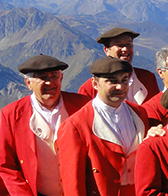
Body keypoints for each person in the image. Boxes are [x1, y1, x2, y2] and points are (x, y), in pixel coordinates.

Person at [57, 57, 149, 196]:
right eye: (112, 81)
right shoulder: (76, 125)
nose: (120, 87)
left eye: (124, 80)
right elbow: (72, 181)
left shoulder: (139, 113)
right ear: (95, 83)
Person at [0, 55, 88, 196]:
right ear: (28, 83)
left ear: (61, 78)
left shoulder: (82, 105)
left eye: (54, 76)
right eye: (43, 77)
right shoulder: (11, 114)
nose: (50, 82)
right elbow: (7, 166)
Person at [78, 27, 160, 104]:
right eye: (119, 45)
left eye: (128, 45)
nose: (125, 49)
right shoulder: (89, 88)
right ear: (107, 50)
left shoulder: (147, 78)